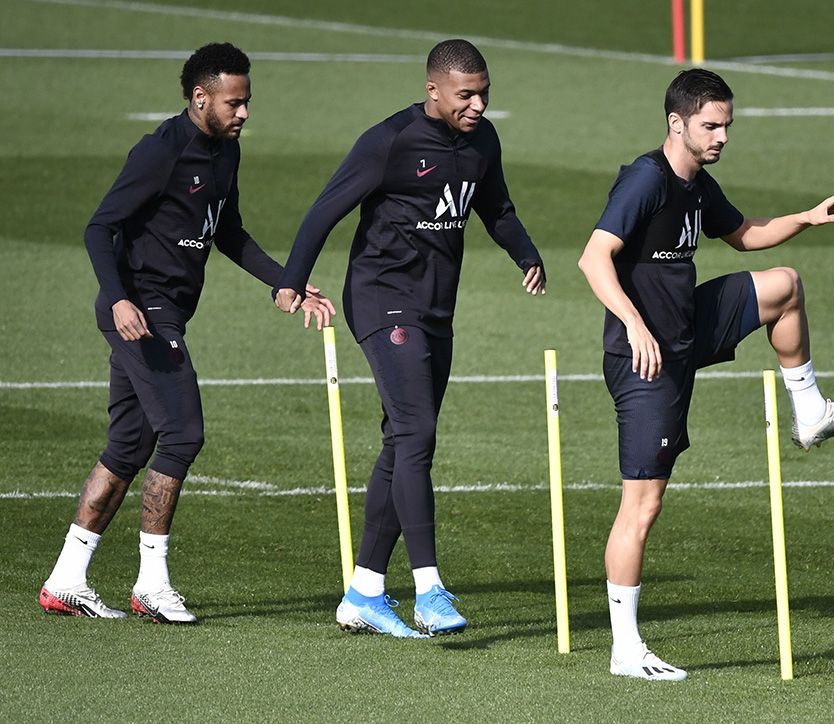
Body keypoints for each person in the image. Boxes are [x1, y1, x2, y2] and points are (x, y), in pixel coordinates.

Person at [577, 68, 834, 681]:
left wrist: (809, 216)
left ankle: (810, 411)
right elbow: (594, 257)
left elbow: (746, 237)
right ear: (677, 122)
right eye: (710, 126)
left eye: (727, 126)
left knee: (785, 285)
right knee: (643, 504)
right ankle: (625, 650)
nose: (720, 136)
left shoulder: (699, 185)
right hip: (646, 356)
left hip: (686, 330)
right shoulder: (646, 179)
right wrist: (634, 326)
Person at [39, 43, 335, 624]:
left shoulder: (225, 154)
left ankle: (65, 579)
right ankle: (152, 584)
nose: (244, 113)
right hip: (142, 311)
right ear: (201, 98)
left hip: (163, 311)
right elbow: (100, 228)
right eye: (235, 102)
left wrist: (288, 282)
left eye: (247, 102)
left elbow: (229, 234)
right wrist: (121, 298)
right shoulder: (161, 151)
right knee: (183, 433)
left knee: (128, 445)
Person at [273, 39, 546, 639]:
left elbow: (494, 208)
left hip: (435, 307)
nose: (477, 104)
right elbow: (325, 209)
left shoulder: (484, 141)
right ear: (433, 90)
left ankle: (365, 591)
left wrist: (526, 253)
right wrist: (291, 281)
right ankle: (429, 589)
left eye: (484, 93)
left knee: (403, 440)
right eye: (465, 94)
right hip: (379, 296)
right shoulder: (390, 141)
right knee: (418, 432)